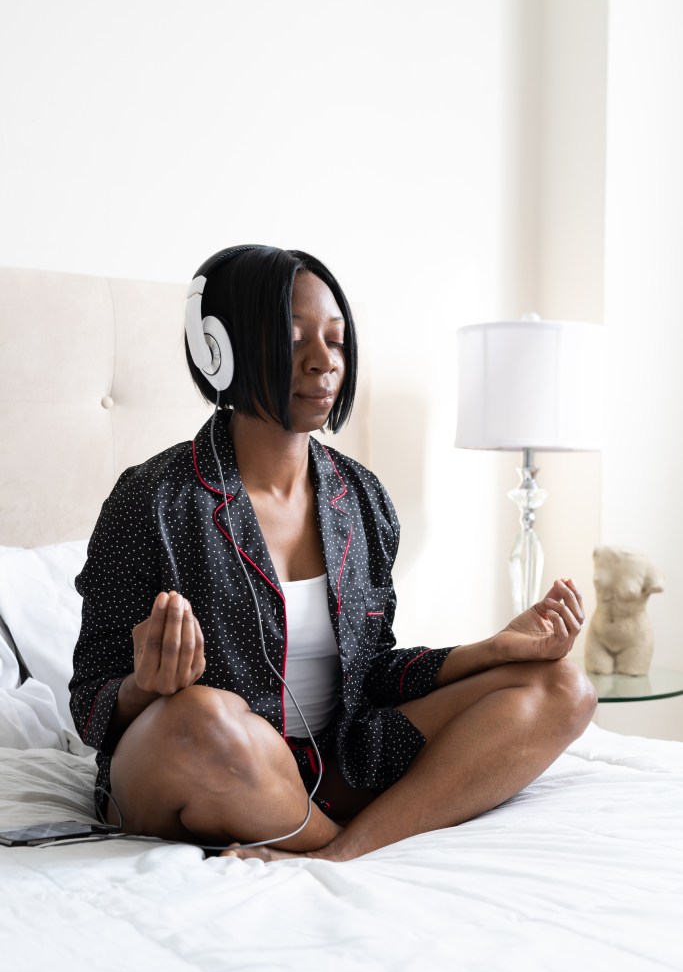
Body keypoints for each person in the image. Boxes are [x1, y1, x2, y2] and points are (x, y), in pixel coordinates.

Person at [69, 244, 597, 863]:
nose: (324, 363)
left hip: (337, 765)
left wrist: (493, 651)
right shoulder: (152, 500)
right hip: (199, 763)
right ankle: (336, 846)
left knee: (565, 686)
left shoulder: (361, 498)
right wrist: (142, 687)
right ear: (220, 349)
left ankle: (339, 855)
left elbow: (372, 673)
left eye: (336, 341)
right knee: (199, 717)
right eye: (293, 340)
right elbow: (89, 703)